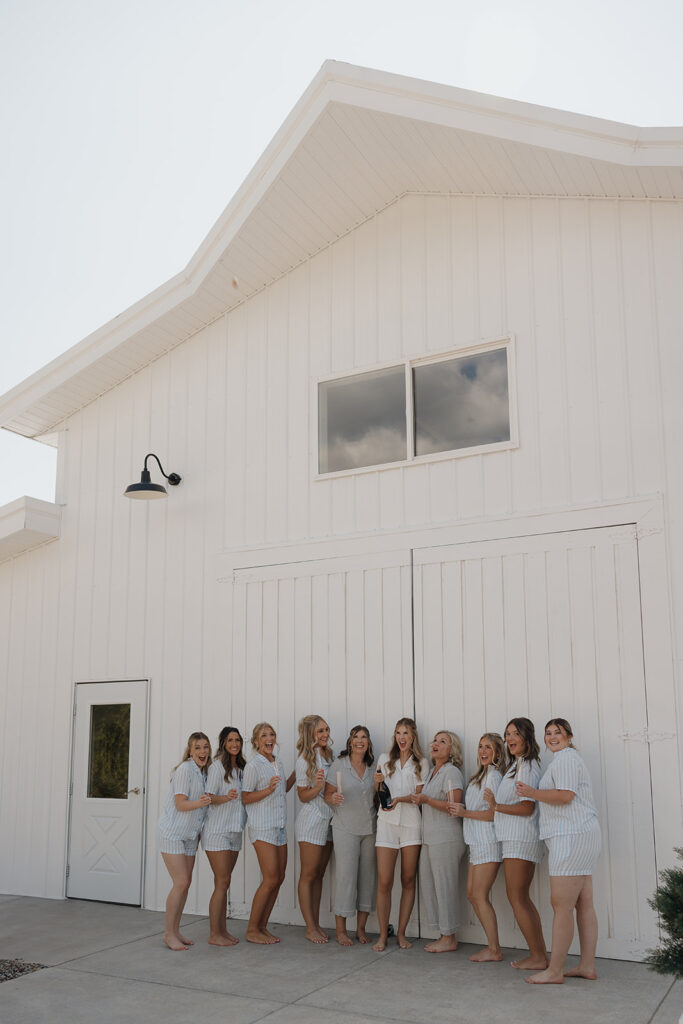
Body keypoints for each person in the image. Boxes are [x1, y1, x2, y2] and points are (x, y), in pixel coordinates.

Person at [516, 718, 601, 985]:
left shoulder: (565, 759)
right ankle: (587, 965)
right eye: (548, 733)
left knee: (561, 905)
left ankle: (555, 970)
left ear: (569, 736)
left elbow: (565, 796)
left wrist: (532, 792)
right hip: (580, 834)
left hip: (571, 837)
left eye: (558, 733)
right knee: (583, 902)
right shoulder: (567, 759)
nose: (552, 737)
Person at [484, 717, 547, 970]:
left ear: (526, 737)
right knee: (519, 897)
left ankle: (538, 956)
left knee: (517, 897)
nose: (510, 738)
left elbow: (527, 807)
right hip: (511, 838)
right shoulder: (516, 765)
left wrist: (496, 806)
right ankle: (539, 954)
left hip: (521, 838)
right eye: (507, 734)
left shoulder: (528, 766)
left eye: (515, 734)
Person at [449, 732, 507, 962]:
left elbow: (494, 813)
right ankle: (492, 946)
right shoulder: (478, 777)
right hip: (475, 842)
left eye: (488, 748)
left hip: (488, 842)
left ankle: (494, 949)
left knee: (479, 895)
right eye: (481, 747)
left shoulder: (494, 777)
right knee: (472, 895)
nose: (483, 751)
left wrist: (465, 813)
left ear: (497, 753)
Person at [373, 717, 428, 951]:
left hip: (410, 824)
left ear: (413, 736)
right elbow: (380, 791)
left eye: (406, 733)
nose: (402, 738)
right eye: (398, 733)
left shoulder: (422, 763)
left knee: (408, 880)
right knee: (384, 881)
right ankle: (383, 935)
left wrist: (400, 799)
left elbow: (418, 796)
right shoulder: (385, 760)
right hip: (386, 822)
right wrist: (377, 784)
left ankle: (402, 933)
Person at [241, 722, 296, 944]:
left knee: (279, 877)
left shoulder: (278, 762)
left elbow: (283, 789)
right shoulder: (253, 765)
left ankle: (262, 927)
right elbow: (245, 797)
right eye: (264, 735)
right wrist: (267, 790)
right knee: (270, 877)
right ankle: (252, 929)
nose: (269, 738)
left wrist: (296, 774)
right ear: (256, 741)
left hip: (279, 826)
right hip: (262, 826)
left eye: (272, 734)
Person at [157, 731, 212, 950]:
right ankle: (168, 934)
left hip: (190, 835)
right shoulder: (185, 770)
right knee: (180, 882)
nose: (202, 751)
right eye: (197, 747)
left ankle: (176, 931)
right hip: (172, 832)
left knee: (186, 883)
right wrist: (202, 802)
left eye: (206, 747)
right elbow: (180, 804)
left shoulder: (203, 772)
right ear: (190, 751)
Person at [324, 725, 377, 946]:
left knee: (367, 879)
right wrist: (332, 798)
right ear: (350, 741)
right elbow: (327, 793)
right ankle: (341, 931)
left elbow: (377, 798)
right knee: (346, 878)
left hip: (370, 829)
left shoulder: (373, 767)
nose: (359, 741)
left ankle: (361, 930)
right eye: (356, 737)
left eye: (364, 737)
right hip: (345, 827)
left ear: (368, 743)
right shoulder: (339, 765)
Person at [413, 730, 466, 953]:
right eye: (435, 739)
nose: (435, 743)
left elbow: (455, 808)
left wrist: (426, 800)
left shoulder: (451, 772)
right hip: (429, 838)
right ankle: (442, 932)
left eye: (442, 741)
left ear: (451, 750)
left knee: (444, 887)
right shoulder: (431, 772)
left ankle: (449, 938)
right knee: (430, 886)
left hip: (446, 838)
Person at [203, 726, 247, 946]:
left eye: (238, 740)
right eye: (230, 740)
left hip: (235, 830)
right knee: (222, 882)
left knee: (223, 882)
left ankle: (222, 930)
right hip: (217, 831)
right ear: (223, 743)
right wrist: (226, 797)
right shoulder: (217, 768)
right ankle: (214, 934)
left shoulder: (242, 767)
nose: (235, 743)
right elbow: (209, 797)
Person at [295, 714, 334, 943]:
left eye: (327, 730)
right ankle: (309, 927)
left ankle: (316, 923)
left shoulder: (327, 755)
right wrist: (318, 786)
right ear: (310, 734)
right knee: (308, 875)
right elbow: (302, 796)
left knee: (319, 875)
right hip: (312, 821)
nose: (325, 735)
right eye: (320, 731)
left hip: (329, 820)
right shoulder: (304, 760)